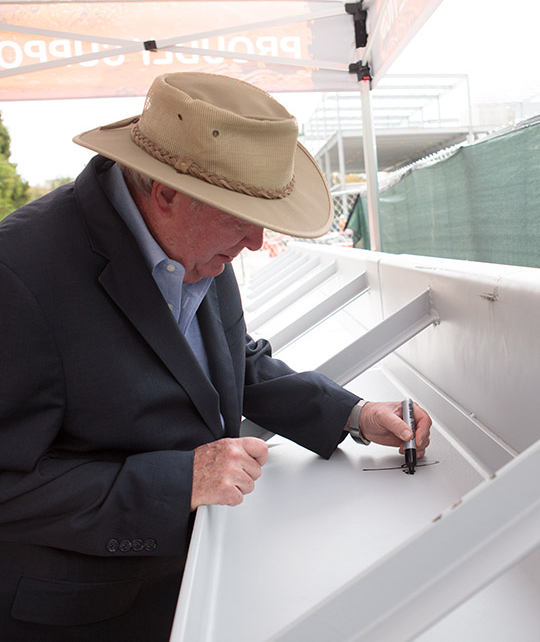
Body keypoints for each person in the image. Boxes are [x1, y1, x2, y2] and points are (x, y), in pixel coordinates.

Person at [0, 72, 431, 641]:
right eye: (240, 214)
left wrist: (352, 414)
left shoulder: (198, 239)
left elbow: (228, 364)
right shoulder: (19, 273)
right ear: (167, 191)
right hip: (90, 617)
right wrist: (179, 481)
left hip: (200, 581)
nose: (255, 241)